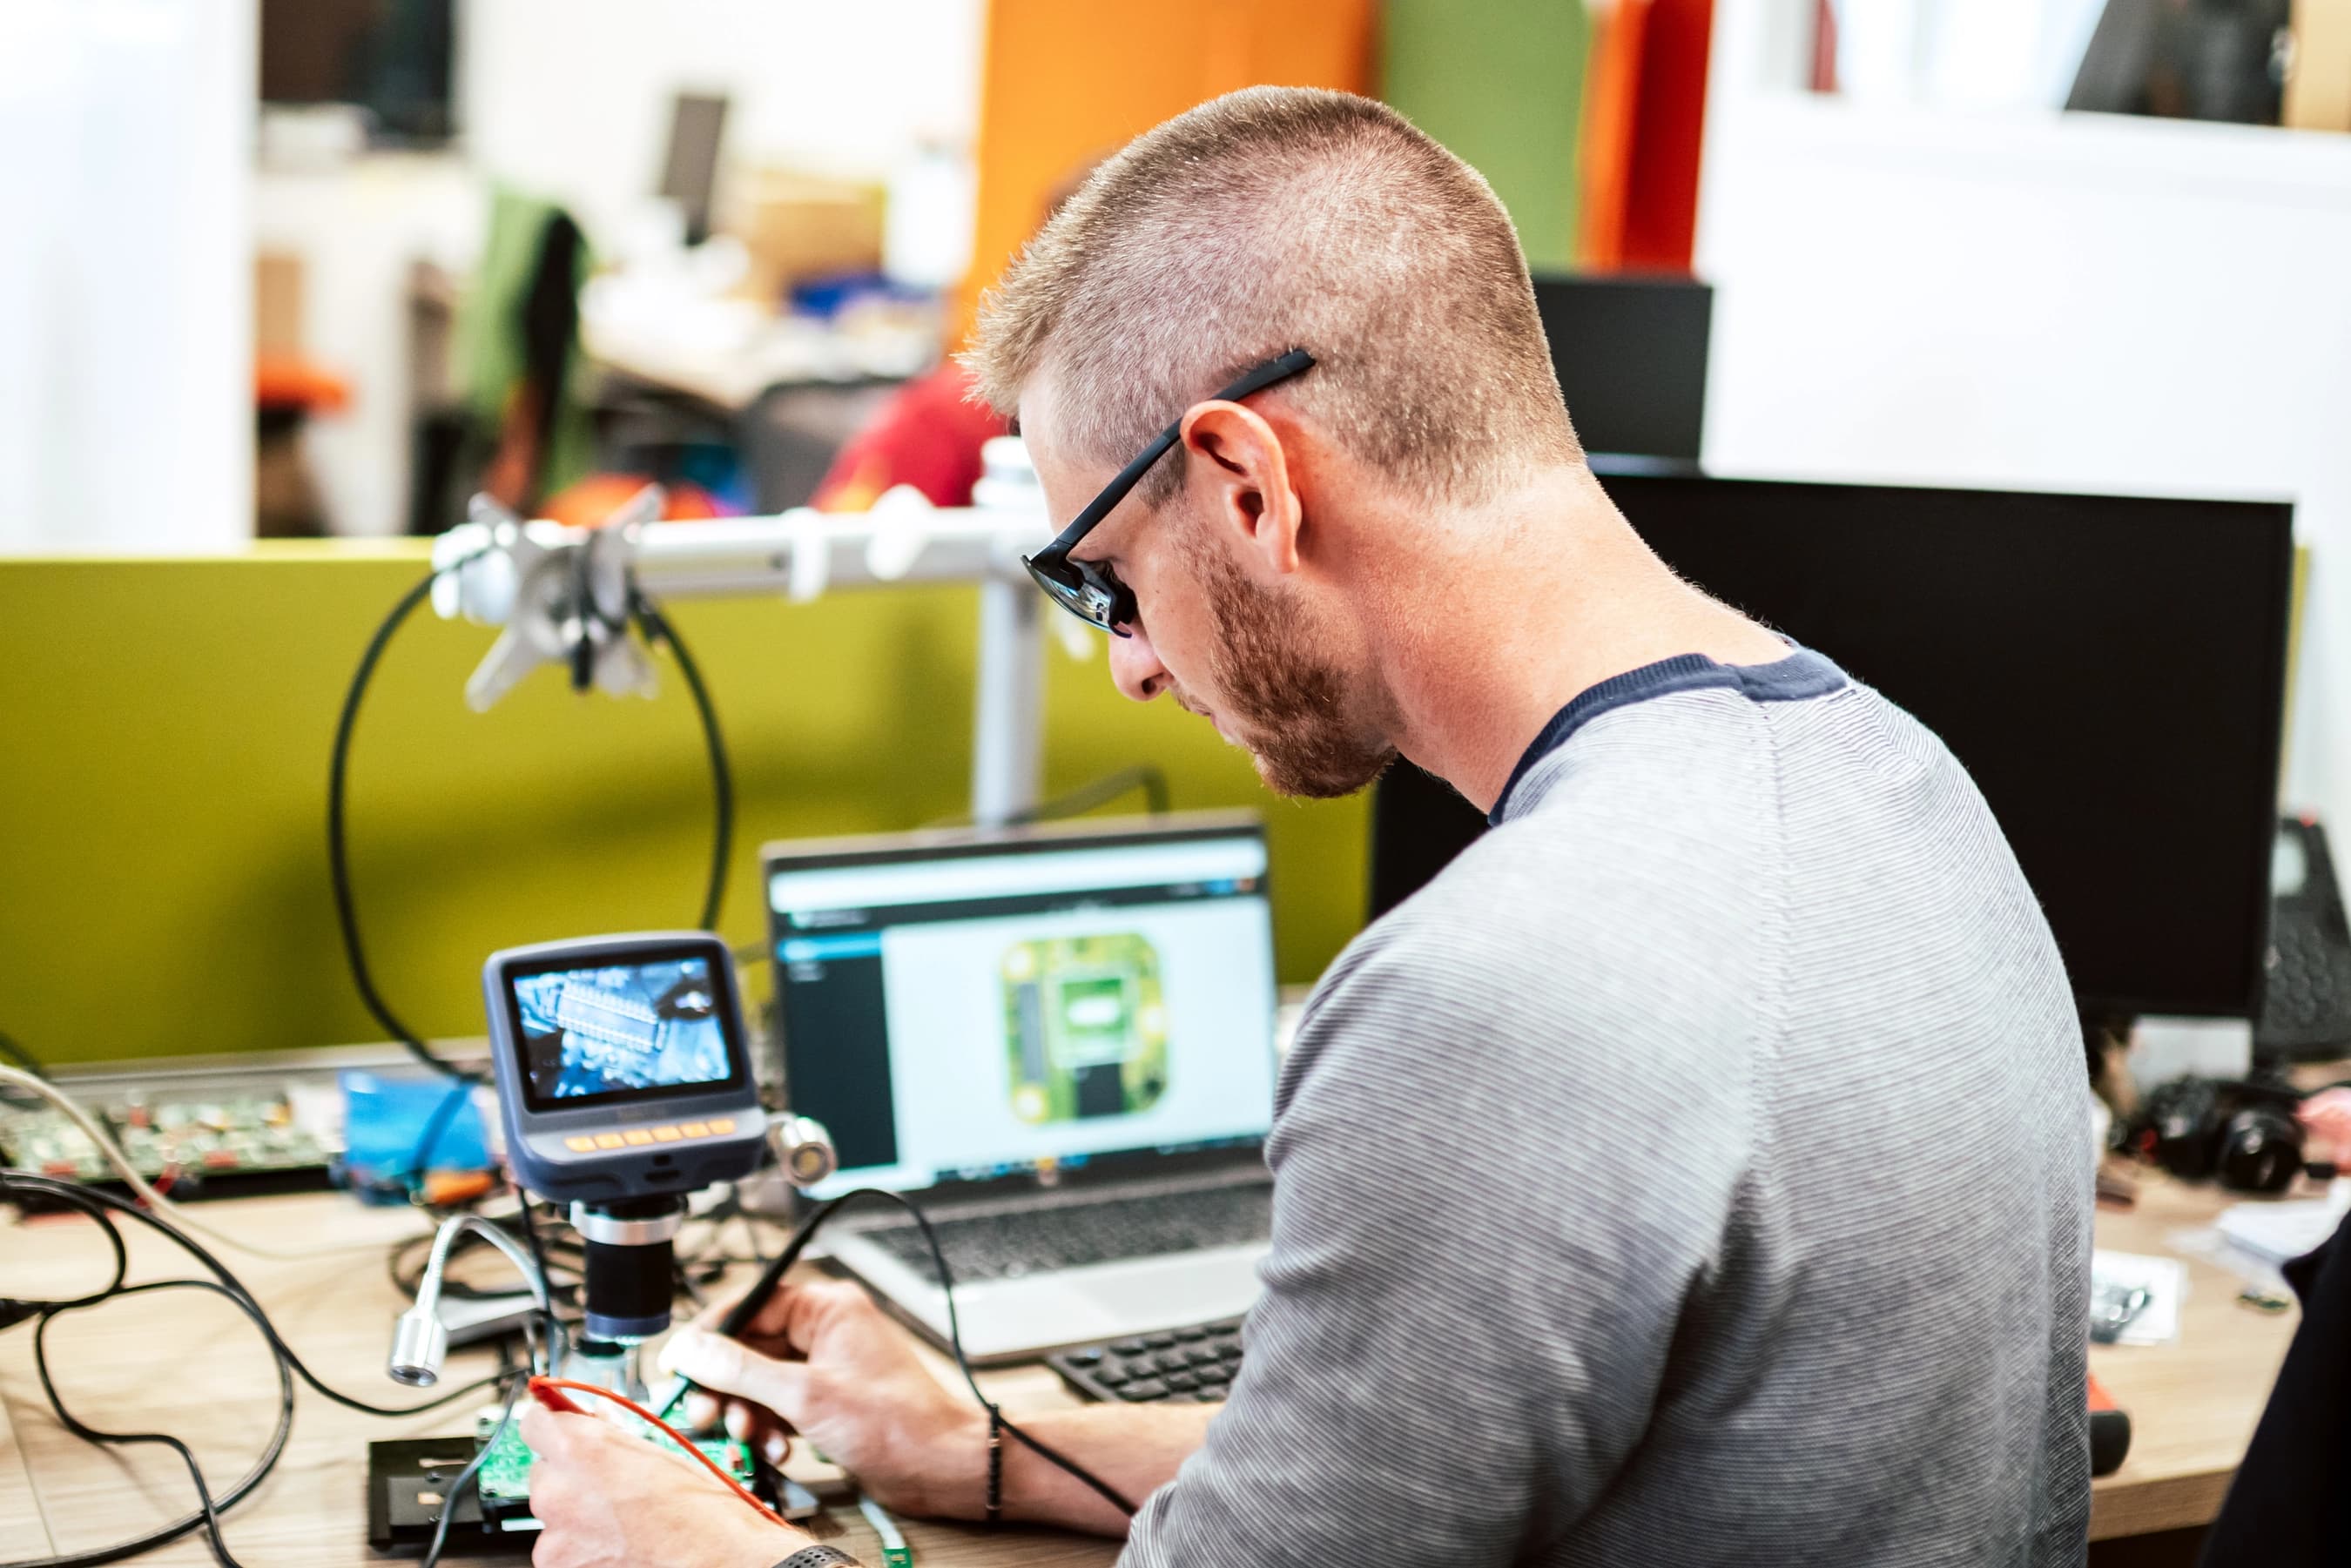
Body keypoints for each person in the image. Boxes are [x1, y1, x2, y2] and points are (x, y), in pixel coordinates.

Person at [519, 86, 2092, 1568]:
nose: (1131, 666)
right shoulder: (1896, 776)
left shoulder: (1498, 991)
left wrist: (722, 1548)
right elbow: (1415, 1466)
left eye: (1103, 580)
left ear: (1247, 483)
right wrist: (983, 1445)